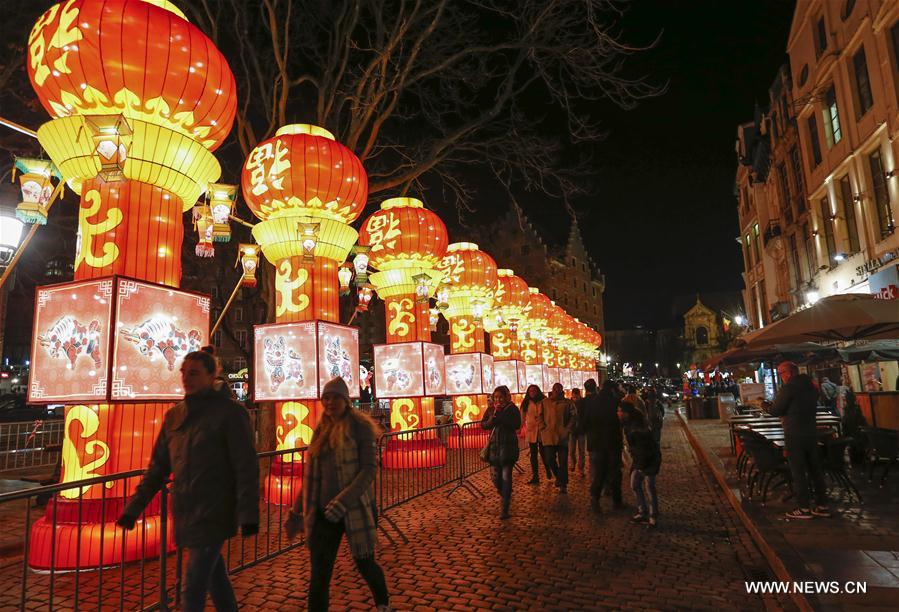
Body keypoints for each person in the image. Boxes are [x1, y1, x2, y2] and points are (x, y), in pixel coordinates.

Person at [117, 351, 259, 611]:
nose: (186, 378)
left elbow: (246, 465)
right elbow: (158, 467)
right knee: (215, 579)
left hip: (215, 512)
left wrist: (248, 514)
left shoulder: (231, 414)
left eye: (194, 373)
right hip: (185, 511)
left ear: (212, 375)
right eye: (184, 372)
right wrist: (133, 508)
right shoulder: (175, 416)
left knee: (192, 590)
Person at [284, 378, 390, 612]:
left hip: (355, 509)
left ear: (345, 400)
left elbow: (369, 469)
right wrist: (296, 511)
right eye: (326, 398)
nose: (330, 402)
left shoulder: (360, 427)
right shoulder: (321, 429)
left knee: (365, 563)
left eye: (335, 397)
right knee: (320, 574)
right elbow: (311, 476)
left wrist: (344, 500)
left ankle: (383, 603)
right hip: (324, 513)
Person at [769, 361, 830, 520]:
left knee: (798, 471)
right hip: (811, 432)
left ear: (789, 373)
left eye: (781, 373)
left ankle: (804, 507)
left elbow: (776, 410)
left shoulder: (789, 388)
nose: (781, 377)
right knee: (815, 469)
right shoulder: (811, 386)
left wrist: (764, 405)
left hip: (794, 433)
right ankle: (822, 505)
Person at [581, 378, 623, 513]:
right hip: (612, 441)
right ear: (612, 389)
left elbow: (586, 421)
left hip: (597, 442)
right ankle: (617, 501)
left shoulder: (593, 402)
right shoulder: (615, 401)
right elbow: (620, 420)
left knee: (600, 471)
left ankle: (595, 498)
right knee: (615, 471)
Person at [481, 385, 523, 519]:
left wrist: (501, 419)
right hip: (494, 449)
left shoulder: (512, 409)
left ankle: (504, 508)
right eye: (496, 397)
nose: (498, 400)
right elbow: (483, 425)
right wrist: (491, 420)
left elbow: (517, 424)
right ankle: (504, 491)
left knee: (506, 477)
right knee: (495, 478)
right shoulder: (491, 410)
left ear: (506, 397)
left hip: (508, 448)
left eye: (500, 397)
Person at [618, 401, 661, 528]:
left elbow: (643, 449)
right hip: (640, 460)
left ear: (626, 413)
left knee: (649, 487)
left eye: (619, 411)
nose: (617, 413)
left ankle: (653, 516)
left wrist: (641, 466)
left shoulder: (637, 428)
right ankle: (643, 511)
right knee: (635, 484)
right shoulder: (629, 424)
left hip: (649, 460)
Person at [537, 383, 574, 494]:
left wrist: (568, 429)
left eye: (559, 389)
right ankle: (559, 477)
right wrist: (542, 427)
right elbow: (539, 416)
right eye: (555, 389)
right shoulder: (545, 402)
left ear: (562, 390)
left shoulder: (568, 403)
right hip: (549, 436)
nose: (557, 391)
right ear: (552, 390)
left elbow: (573, 416)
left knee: (563, 461)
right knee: (549, 459)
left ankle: (563, 484)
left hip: (562, 436)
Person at [521, 384, 552, 484]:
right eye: (530, 391)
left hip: (542, 430)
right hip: (531, 430)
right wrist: (519, 427)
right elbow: (522, 417)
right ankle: (535, 476)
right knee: (533, 455)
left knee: (544, 453)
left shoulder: (544, 401)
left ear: (538, 391)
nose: (532, 393)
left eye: (534, 391)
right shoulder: (526, 402)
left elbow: (549, 414)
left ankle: (548, 469)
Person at [569, 387, 587, 475]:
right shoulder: (569, 403)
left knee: (582, 451)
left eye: (576, 397)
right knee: (571, 450)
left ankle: (581, 468)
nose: (575, 398)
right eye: (574, 397)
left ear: (579, 395)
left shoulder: (583, 403)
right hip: (572, 430)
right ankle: (573, 463)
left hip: (581, 430)